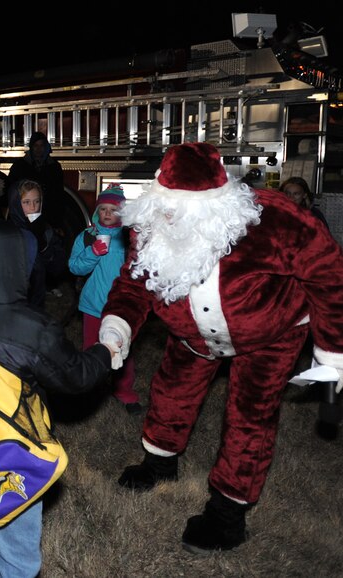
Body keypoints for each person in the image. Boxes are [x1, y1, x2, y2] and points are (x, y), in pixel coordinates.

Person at [100, 142, 343, 553]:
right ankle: (159, 461)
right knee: (171, 392)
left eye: (178, 212)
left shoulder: (277, 220)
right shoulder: (151, 223)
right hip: (192, 334)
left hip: (269, 333)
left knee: (250, 416)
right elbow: (134, 281)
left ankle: (228, 512)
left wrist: (332, 348)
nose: (168, 219)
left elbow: (328, 274)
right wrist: (116, 328)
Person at [0, 219, 114, 577]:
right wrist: (104, 352)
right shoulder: (32, 326)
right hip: (14, 455)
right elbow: (75, 375)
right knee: (18, 545)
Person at [68, 184, 141, 414]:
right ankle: (91, 391)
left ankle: (124, 391)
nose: (107, 213)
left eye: (113, 209)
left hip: (120, 306)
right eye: (103, 209)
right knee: (92, 349)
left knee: (123, 349)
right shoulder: (87, 236)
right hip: (92, 305)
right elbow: (74, 267)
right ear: (96, 211)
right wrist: (93, 253)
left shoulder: (128, 238)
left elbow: (137, 268)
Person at [7, 179, 68, 306]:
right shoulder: (7, 233)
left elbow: (57, 269)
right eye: (26, 202)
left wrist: (43, 245)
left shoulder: (46, 230)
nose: (33, 208)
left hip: (36, 303)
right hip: (12, 304)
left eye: (37, 201)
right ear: (16, 204)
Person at [7, 132, 65, 228]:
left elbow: (59, 194)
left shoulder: (54, 166)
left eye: (41, 145)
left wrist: (58, 221)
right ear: (31, 147)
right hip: (25, 216)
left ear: (46, 147)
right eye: (35, 145)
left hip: (48, 215)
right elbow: (12, 191)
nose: (38, 149)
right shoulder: (20, 165)